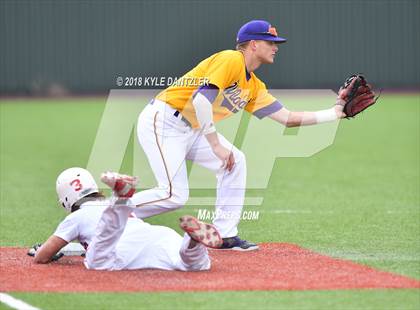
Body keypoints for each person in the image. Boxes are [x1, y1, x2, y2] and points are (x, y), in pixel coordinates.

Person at [128, 19, 351, 251]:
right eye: (270, 42)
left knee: (235, 161)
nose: (276, 47)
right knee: (174, 195)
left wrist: (335, 113)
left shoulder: (254, 85)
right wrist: (215, 144)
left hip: (192, 128)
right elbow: (201, 101)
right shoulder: (230, 59)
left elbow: (288, 118)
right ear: (253, 44)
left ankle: (225, 235)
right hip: (164, 121)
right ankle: (102, 214)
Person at [32, 167, 222, 271]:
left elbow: (42, 257)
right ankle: (192, 241)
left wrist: (42, 251)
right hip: (156, 236)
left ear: (65, 198)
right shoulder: (101, 204)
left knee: (97, 262)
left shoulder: (77, 216)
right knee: (195, 265)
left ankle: (121, 201)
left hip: (119, 250)